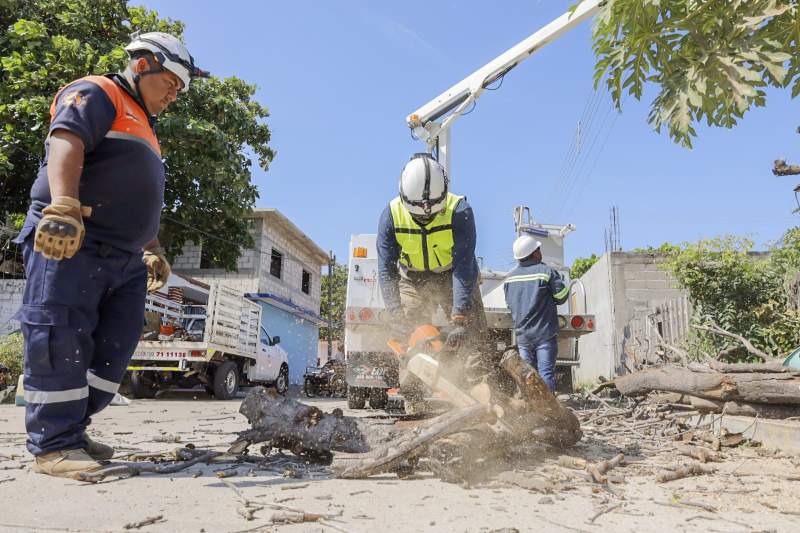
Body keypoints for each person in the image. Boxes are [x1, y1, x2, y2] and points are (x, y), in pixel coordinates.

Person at [12, 32, 208, 479]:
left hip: (124, 258)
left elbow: (141, 194)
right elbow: (67, 139)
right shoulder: (98, 93)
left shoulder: (145, 125)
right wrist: (63, 205)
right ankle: (53, 446)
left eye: (181, 89)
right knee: (59, 336)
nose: (174, 94)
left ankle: (74, 430)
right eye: (171, 83)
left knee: (113, 349)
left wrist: (153, 247)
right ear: (143, 65)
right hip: (74, 240)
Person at [377, 153, 486, 397]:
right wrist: (397, 316)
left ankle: (478, 390)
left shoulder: (460, 211)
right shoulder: (391, 215)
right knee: (409, 335)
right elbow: (386, 270)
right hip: (412, 278)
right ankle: (413, 395)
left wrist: (459, 316)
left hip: (452, 273)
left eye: (431, 213)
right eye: (419, 215)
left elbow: (464, 265)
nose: (425, 218)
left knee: (472, 333)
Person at [503, 234, 570, 392]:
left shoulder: (509, 278)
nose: (541, 252)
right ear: (534, 253)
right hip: (544, 334)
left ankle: (528, 409)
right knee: (545, 373)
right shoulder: (546, 272)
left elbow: (510, 304)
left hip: (523, 335)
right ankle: (547, 412)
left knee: (526, 375)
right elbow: (561, 297)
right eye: (538, 249)